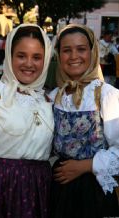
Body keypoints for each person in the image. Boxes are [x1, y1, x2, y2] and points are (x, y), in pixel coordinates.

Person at [0, 23, 54, 218]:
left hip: (39, 190)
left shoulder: (47, 100)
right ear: (9, 57)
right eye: (21, 55)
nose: (29, 63)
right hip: (0, 189)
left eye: (37, 57)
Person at [49, 23, 119, 218]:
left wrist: (86, 165)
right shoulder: (55, 96)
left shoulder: (107, 96)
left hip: (93, 190)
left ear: (92, 52)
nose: (73, 56)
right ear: (58, 55)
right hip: (59, 187)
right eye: (66, 50)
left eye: (81, 49)